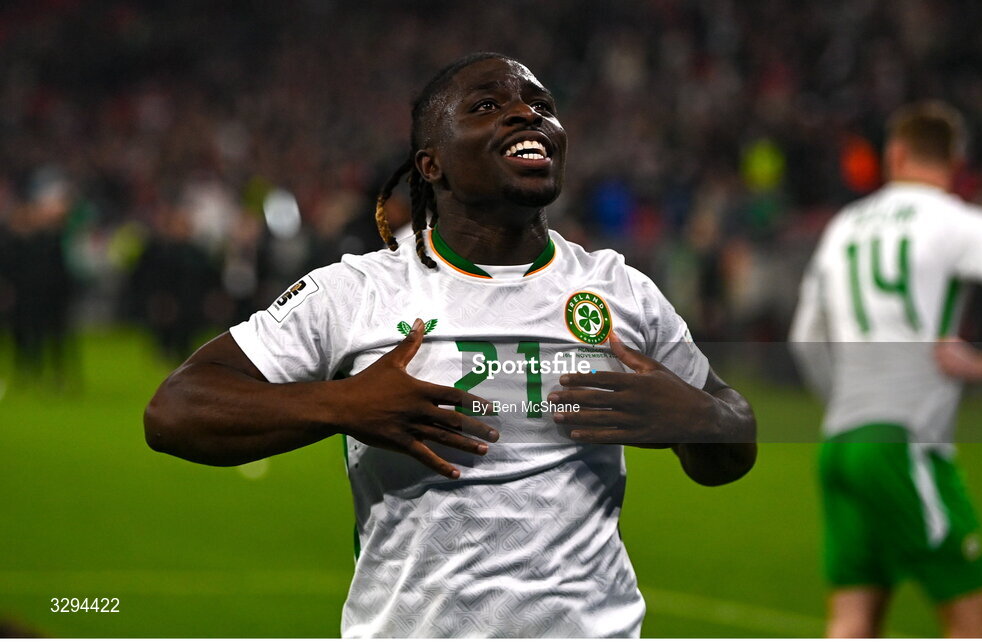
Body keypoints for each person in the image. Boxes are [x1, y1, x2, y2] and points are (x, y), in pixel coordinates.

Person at [145, 52, 756, 637]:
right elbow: (175, 410)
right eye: (488, 105)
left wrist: (697, 418)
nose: (527, 115)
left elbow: (733, 443)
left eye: (540, 104)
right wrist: (343, 406)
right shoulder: (357, 291)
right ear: (430, 165)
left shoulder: (621, 290)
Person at [789, 101, 982, 638]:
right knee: (976, 622)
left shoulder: (844, 226)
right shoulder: (956, 221)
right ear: (955, 161)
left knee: (852, 621)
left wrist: (849, 407)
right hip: (905, 443)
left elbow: (804, 339)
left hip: (840, 447)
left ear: (895, 154)